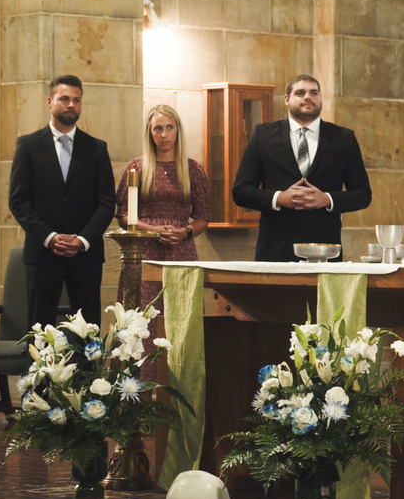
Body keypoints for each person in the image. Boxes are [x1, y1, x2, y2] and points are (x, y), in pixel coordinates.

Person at [9, 74, 116, 328]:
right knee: (39, 329)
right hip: (43, 253)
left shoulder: (96, 148)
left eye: (77, 100)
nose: (71, 105)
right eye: (65, 99)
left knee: (87, 329)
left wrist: (82, 239)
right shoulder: (28, 146)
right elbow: (19, 200)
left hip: (85, 256)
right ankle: (39, 370)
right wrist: (50, 236)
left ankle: (89, 370)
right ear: (50, 101)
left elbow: (106, 202)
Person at [114, 105, 213, 379]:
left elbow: (204, 217)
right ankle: (138, 391)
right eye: (158, 128)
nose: (164, 134)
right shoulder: (137, 167)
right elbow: (123, 215)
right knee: (144, 322)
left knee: (180, 320)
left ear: (178, 131)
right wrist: (153, 230)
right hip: (144, 252)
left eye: (170, 127)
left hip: (181, 251)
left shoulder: (192, 169)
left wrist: (185, 232)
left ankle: (179, 387)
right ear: (150, 132)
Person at [231, 74, 372, 262]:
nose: (308, 97)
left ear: (320, 98)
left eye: (314, 92)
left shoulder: (343, 138)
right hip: (275, 249)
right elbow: (240, 191)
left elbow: (363, 194)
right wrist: (279, 198)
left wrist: (327, 199)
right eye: (300, 92)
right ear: (287, 99)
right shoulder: (263, 136)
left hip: (325, 250)